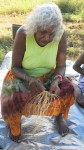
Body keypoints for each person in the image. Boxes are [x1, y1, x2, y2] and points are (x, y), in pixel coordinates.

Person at [1, 3, 75, 142]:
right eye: (42, 32)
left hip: (48, 75)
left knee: (68, 89)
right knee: (11, 99)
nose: (47, 38)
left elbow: (61, 65)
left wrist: (56, 79)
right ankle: (15, 125)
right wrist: (29, 79)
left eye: (51, 34)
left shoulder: (61, 34)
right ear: (34, 28)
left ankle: (58, 117)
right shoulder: (23, 33)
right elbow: (15, 67)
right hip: (23, 76)